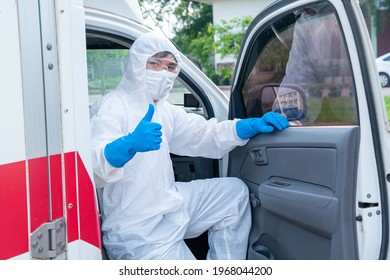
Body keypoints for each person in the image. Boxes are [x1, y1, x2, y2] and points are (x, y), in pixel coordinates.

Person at [90, 31, 290, 260]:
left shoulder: (164, 110)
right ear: (137, 64)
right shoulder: (112, 106)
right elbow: (92, 167)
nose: (164, 73)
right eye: (155, 63)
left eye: (170, 67)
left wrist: (244, 127)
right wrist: (126, 146)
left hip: (167, 202)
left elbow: (203, 134)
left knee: (233, 194)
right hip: (138, 232)